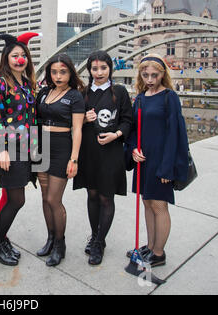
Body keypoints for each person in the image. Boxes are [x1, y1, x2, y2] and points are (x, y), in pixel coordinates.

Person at [125, 54, 189, 267]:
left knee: (159, 205)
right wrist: (133, 148)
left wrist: (167, 168)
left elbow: (175, 134)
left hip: (162, 160)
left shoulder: (169, 97)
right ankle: (150, 246)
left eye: (155, 75)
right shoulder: (141, 97)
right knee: (147, 202)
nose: (150, 79)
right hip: (143, 159)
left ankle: (159, 253)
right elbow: (133, 129)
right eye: (146, 75)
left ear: (163, 74)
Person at [73, 50, 133, 266]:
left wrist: (116, 135)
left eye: (103, 68)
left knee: (107, 197)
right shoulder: (83, 93)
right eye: (95, 68)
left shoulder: (120, 91)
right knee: (92, 194)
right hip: (89, 153)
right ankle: (94, 234)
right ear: (89, 70)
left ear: (110, 69)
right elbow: (74, 124)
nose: (99, 72)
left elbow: (128, 120)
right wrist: (84, 119)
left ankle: (100, 242)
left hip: (111, 153)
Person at [0, 32, 40, 266]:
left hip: (28, 148)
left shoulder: (28, 84)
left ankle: (1, 241)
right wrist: (1, 150)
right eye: (14, 55)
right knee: (16, 199)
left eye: (23, 55)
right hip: (10, 148)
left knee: (16, 197)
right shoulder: (0, 83)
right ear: (6, 59)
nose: (20, 59)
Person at [35, 54, 85, 266]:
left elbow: (78, 129)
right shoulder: (45, 92)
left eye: (62, 72)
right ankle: (49, 238)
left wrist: (73, 159)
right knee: (45, 199)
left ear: (70, 73)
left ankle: (60, 244)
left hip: (61, 148)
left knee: (54, 200)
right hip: (41, 147)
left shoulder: (75, 96)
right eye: (54, 72)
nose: (58, 76)